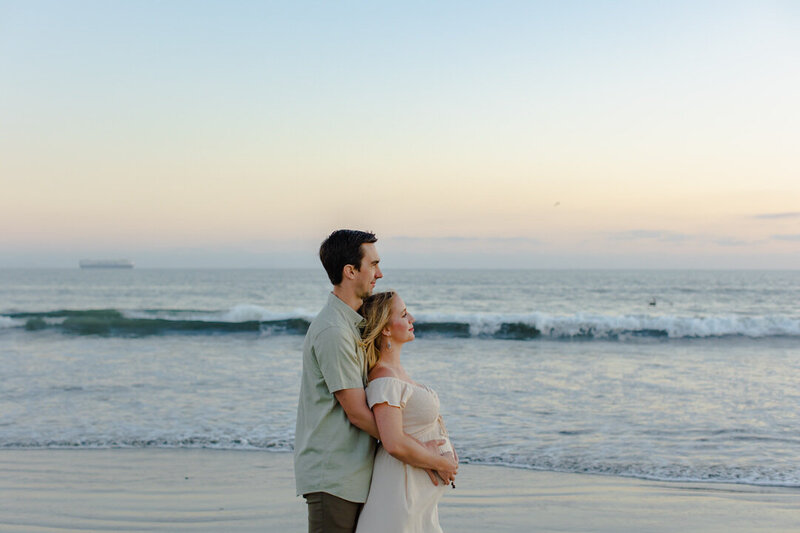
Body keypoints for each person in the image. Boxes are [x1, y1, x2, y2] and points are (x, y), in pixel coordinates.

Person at [294, 230, 454, 533]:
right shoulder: (335, 331)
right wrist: (422, 453)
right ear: (350, 271)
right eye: (373, 264)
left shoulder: (353, 326)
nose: (379, 274)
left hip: (355, 472)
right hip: (335, 475)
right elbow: (356, 411)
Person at [355, 291, 458, 533]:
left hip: (416, 495)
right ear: (386, 329)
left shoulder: (396, 373)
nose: (411, 318)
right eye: (403, 314)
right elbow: (393, 443)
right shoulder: (385, 379)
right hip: (400, 493)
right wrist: (442, 463)